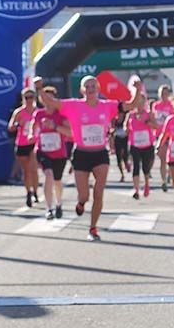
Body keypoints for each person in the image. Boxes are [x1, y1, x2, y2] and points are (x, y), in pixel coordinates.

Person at [42, 75, 142, 241]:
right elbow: (51, 102)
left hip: (100, 153)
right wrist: (39, 88)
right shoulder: (73, 105)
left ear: (98, 88)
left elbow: (131, 104)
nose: (90, 88)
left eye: (93, 86)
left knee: (98, 193)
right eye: (87, 86)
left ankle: (93, 228)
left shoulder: (108, 106)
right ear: (82, 90)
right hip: (81, 153)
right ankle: (81, 203)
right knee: (84, 196)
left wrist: (137, 90)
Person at [33, 86, 72, 219]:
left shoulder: (61, 115)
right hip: (43, 150)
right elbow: (33, 130)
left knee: (57, 181)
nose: (47, 101)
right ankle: (49, 208)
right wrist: (31, 136)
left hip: (59, 152)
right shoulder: (38, 114)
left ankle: (59, 203)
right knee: (48, 175)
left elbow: (70, 132)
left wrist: (55, 126)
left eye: (50, 98)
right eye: (44, 98)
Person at [8, 88, 39, 207]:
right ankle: (28, 192)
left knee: (33, 168)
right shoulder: (19, 112)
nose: (29, 100)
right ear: (22, 99)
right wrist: (17, 124)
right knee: (26, 171)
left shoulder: (38, 111)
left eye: (31, 97)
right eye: (26, 97)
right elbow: (10, 127)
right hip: (22, 143)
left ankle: (35, 191)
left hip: (34, 143)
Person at [125, 96, 158, 200]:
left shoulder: (149, 114)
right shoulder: (131, 115)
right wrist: (127, 130)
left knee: (145, 167)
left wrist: (148, 123)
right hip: (135, 144)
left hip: (147, 144)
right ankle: (136, 189)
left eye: (141, 103)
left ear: (144, 103)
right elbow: (126, 127)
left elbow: (156, 126)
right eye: (137, 103)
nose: (139, 105)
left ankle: (147, 184)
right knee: (135, 166)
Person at [152, 85, 174, 192]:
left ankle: (169, 174)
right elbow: (153, 119)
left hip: (170, 135)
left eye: (166, 93)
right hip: (159, 134)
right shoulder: (156, 105)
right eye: (162, 93)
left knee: (169, 159)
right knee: (162, 159)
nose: (164, 95)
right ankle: (163, 181)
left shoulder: (172, 106)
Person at [111, 107, 130, 182]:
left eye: (121, 113)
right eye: (118, 113)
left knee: (125, 155)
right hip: (117, 138)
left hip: (125, 138)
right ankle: (122, 175)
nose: (120, 115)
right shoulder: (115, 120)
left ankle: (126, 163)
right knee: (118, 157)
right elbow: (112, 129)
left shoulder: (126, 119)